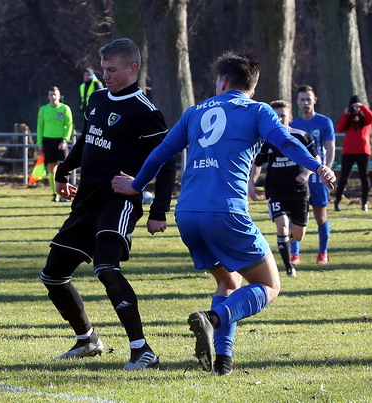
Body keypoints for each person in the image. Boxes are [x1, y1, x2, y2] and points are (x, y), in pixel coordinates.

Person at [112, 51, 335, 375]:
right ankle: (212, 319)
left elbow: (160, 153)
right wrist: (317, 166)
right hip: (225, 213)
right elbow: (285, 143)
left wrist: (136, 185)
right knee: (270, 285)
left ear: (223, 81)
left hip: (188, 214)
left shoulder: (194, 112)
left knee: (229, 281)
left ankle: (223, 360)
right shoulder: (257, 109)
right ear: (251, 88)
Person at [40, 38, 176, 370]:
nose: (106, 76)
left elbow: (167, 162)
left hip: (118, 201)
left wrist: (158, 211)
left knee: (106, 267)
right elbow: (87, 140)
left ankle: (142, 350)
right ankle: (87, 339)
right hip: (86, 201)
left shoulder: (145, 111)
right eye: (103, 69)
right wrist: (63, 170)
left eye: (112, 70)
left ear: (132, 68)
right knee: (53, 275)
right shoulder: (98, 99)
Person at [248, 100, 320, 278]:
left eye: (283, 115)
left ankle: (288, 241)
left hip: (299, 191)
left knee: (299, 234)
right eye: (276, 116)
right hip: (276, 190)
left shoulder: (302, 136)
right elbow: (257, 163)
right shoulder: (267, 140)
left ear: (290, 117)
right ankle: (289, 268)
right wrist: (251, 182)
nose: (279, 119)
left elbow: (316, 158)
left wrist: (307, 173)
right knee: (282, 227)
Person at [290, 85, 336, 265]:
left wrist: (326, 172)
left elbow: (330, 149)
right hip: (300, 178)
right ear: (297, 102)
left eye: (308, 99)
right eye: (302, 99)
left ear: (314, 100)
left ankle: (323, 252)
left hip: (318, 178)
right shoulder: (294, 125)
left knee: (320, 216)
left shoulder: (324, 122)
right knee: (296, 216)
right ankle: (294, 254)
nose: (305, 103)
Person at [334, 95, 372, 212]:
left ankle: (364, 202)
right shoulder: (348, 120)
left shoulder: (365, 120)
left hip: (363, 151)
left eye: (357, 107)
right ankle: (337, 201)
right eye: (353, 107)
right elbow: (339, 128)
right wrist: (346, 114)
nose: (355, 109)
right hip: (348, 151)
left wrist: (362, 107)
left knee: (364, 177)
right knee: (344, 177)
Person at [36, 86, 74, 202]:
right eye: (51, 95)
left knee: (63, 168)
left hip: (60, 141)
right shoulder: (43, 109)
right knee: (51, 169)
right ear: (48, 96)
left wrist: (65, 140)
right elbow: (40, 127)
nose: (53, 97)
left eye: (55, 94)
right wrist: (39, 143)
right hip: (48, 141)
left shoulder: (65, 109)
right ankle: (55, 193)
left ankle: (64, 194)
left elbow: (69, 125)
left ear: (59, 96)